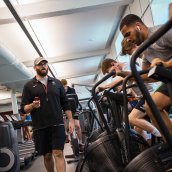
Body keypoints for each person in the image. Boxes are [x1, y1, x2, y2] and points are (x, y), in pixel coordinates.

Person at [119, 13, 172, 136]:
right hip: (169, 80)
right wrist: (126, 75)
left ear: (138, 26)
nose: (128, 40)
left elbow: (162, 65)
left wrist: (166, 64)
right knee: (150, 107)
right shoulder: (144, 48)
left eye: (128, 34)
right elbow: (145, 76)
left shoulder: (161, 32)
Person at [21, 57, 74, 172]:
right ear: (34, 68)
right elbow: (24, 108)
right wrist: (32, 106)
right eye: (40, 65)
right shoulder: (28, 86)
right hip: (40, 127)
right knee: (47, 156)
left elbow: (65, 104)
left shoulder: (57, 83)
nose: (43, 66)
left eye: (45, 64)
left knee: (58, 153)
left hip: (57, 124)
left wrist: (71, 120)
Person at [101, 58, 161, 139]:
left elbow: (121, 78)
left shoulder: (127, 65)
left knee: (131, 118)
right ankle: (148, 147)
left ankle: (161, 135)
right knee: (138, 129)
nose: (112, 75)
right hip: (143, 97)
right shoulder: (123, 69)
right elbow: (124, 81)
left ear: (113, 64)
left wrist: (104, 86)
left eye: (111, 72)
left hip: (150, 94)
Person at [61, 79, 84, 153]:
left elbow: (76, 100)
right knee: (67, 125)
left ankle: (80, 143)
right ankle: (66, 135)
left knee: (77, 126)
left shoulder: (72, 90)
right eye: (62, 87)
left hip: (74, 109)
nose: (64, 88)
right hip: (65, 110)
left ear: (66, 85)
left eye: (64, 86)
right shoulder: (60, 92)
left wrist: (77, 108)